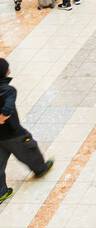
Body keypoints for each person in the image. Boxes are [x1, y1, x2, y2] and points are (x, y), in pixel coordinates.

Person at [0, 58, 54, 204]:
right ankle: (40, 168)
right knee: (29, 149)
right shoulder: (8, 90)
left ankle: (1, 192)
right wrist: (2, 117)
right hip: (13, 133)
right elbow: (7, 109)